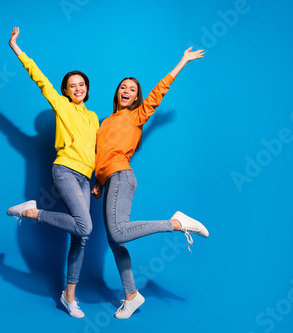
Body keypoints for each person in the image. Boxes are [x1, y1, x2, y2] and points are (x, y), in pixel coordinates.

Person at [91, 46, 209, 319]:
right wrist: (98, 181)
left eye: (132, 89)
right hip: (111, 180)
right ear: (117, 92)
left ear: (135, 97)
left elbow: (158, 93)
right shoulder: (105, 121)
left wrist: (182, 61)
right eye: (123, 87)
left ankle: (176, 223)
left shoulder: (136, 116)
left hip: (122, 176)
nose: (126, 90)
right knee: (115, 241)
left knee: (118, 234)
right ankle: (131, 295)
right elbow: (102, 154)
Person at [6, 26, 99, 319]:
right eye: (72, 85)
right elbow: (38, 77)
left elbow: (96, 152)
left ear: (86, 88)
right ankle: (31, 213)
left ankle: (68, 296)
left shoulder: (94, 117)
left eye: (81, 84)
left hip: (86, 177)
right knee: (85, 227)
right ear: (66, 90)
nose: (77, 88)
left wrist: (98, 181)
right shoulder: (61, 106)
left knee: (80, 236)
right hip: (65, 171)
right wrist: (16, 47)